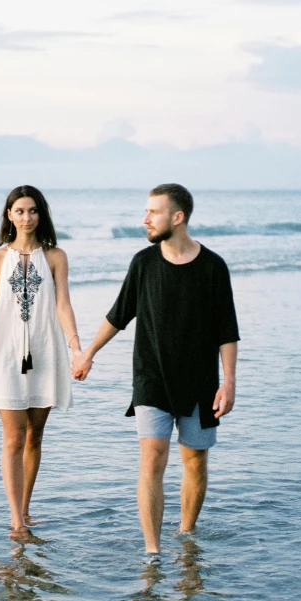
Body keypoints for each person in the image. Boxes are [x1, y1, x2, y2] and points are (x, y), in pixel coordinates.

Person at [72, 184, 239, 562]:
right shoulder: (143, 263)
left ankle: (186, 534)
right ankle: (152, 551)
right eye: (145, 211)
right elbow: (119, 314)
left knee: (195, 459)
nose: (144, 219)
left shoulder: (213, 267)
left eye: (153, 212)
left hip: (200, 381)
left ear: (177, 217)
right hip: (151, 377)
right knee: (152, 458)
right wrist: (88, 353)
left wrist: (228, 382)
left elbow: (226, 330)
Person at [0, 185, 81, 541]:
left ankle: (26, 508)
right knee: (13, 438)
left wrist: (76, 347)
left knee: (35, 436)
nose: (26, 217)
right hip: (4, 356)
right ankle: (16, 520)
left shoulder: (55, 256)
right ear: (9, 215)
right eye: (19, 211)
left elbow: (63, 305)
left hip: (46, 352)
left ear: (41, 214)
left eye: (33, 210)